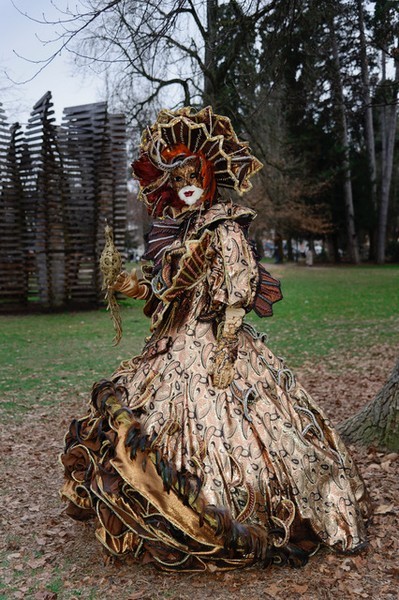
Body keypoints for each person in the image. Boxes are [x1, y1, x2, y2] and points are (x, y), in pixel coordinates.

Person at [60, 107, 370, 572]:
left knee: (244, 431)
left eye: (193, 173)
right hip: (173, 344)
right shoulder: (174, 231)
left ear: (207, 175)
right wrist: (127, 286)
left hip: (219, 345)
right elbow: (163, 293)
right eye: (177, 176)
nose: (186, 182)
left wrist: (226, 343)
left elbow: (239, 287)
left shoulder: (224, 227)